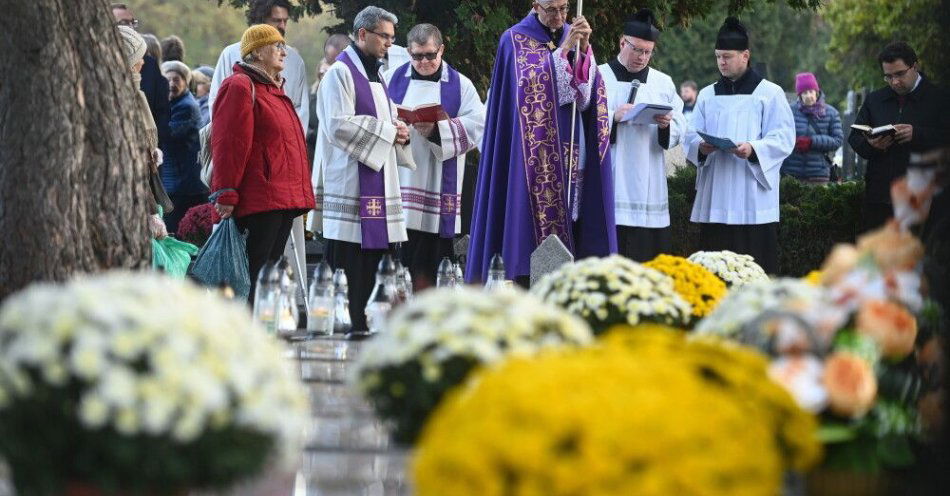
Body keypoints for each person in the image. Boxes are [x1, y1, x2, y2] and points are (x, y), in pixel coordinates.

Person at [466, 0, 616, 285]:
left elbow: (585, 98)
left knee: (574, 219)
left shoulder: (574, 33)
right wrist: (563, 51)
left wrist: (584, 52)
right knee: (524, 225)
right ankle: (523, 278)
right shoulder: (513, 39)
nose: (559, 16)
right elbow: (527, 90)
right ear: (536, 5)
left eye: (564, 8)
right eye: (552, 9)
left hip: (571, 147)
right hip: (530, 156)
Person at [310, 6, 412, 331]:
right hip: (351, 190)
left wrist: (400, 130)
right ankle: (348, 332)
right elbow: (337, 125)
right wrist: (388, 132)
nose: (389, 43)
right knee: (350, 273)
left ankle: (373, 331)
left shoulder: (377, 75)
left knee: (377, 275)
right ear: (363, 34)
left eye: (392, 38)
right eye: (384, 36)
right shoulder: (339, 73)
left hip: (379, 186)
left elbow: (385, 119)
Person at [209, 0, 310, 295]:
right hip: (259, 198)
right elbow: (228, 144)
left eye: (283, 46)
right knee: (254, 276)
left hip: (282, 198)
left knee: (268, 278)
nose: (284, 51)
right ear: (256, 52)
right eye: (276, 45)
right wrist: (226, 192)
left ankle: (264, 322)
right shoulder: (240, 86)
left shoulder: (275, 89)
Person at [683, 17, 795, 274]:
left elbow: (783, 137)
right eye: (718, 56)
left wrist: (754, 149)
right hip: (716, 195)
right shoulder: (707, 95)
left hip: (752, 197)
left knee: (754, 271)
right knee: (715, 271)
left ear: (745, 55)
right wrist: (701, 147)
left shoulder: (770, 93)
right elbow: (690, 134)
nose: (721, 62)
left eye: (727, 56)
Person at [383, 23, 486, 288]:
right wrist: (393, 127)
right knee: (398, 263)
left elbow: (479, 125)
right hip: (401, 179)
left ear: (441, 49)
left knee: (432, 262)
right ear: (409, 52)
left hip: (439, 183)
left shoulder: (461, 85)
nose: (424, 62)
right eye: (417, 56)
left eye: (430, 55)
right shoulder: (390, 78)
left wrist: (438, 131)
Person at [601, 9, 685, 262]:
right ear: (622, 43)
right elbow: (581, 121)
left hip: (648, 181)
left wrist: (666, 125)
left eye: (648, 52)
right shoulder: (599, 76)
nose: (642, 57)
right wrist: (613, 116)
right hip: (611, 175)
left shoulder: (663, 83)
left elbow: (680, 122)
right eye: (637, 50)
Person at [847, 41, 950, 232]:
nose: (894, 82)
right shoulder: (875, 100)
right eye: (888, 76)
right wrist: (871, 145)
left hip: (924, 201)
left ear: (915, 66)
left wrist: (917, 134)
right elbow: (854, 137)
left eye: (900, 74)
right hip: (879, 200)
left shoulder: (939, 98)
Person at [112, 3, 170, 152]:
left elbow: (161, 111)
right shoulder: (97, 67)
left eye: (133, 22)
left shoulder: (149, 64)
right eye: (124, 22)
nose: (130, 27)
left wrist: (156, 148)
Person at [160, 60, 207, 234]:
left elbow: (166, 134)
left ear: (185, 82)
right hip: (176, 183)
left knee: (176, 233)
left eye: (176, 79)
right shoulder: (172, 103)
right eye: (168, 79)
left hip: (184, 186)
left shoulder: (186, 107)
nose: (171, 84)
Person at [780, 72, 843, 184]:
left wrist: (812, 142)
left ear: (816, 92)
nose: (808, 96)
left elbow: (838, 140)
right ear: (799, 95)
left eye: (811, 91)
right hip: (791, 173)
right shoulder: (788, 111)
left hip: (819, 173)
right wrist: (792, 141)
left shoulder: (831, 113)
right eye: (804, 93)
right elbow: (779, 135)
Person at [307, 33, 352, 164]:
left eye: (333, 62)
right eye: (327, 59)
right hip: (317, 149)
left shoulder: (347, 81)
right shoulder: (315, 91)